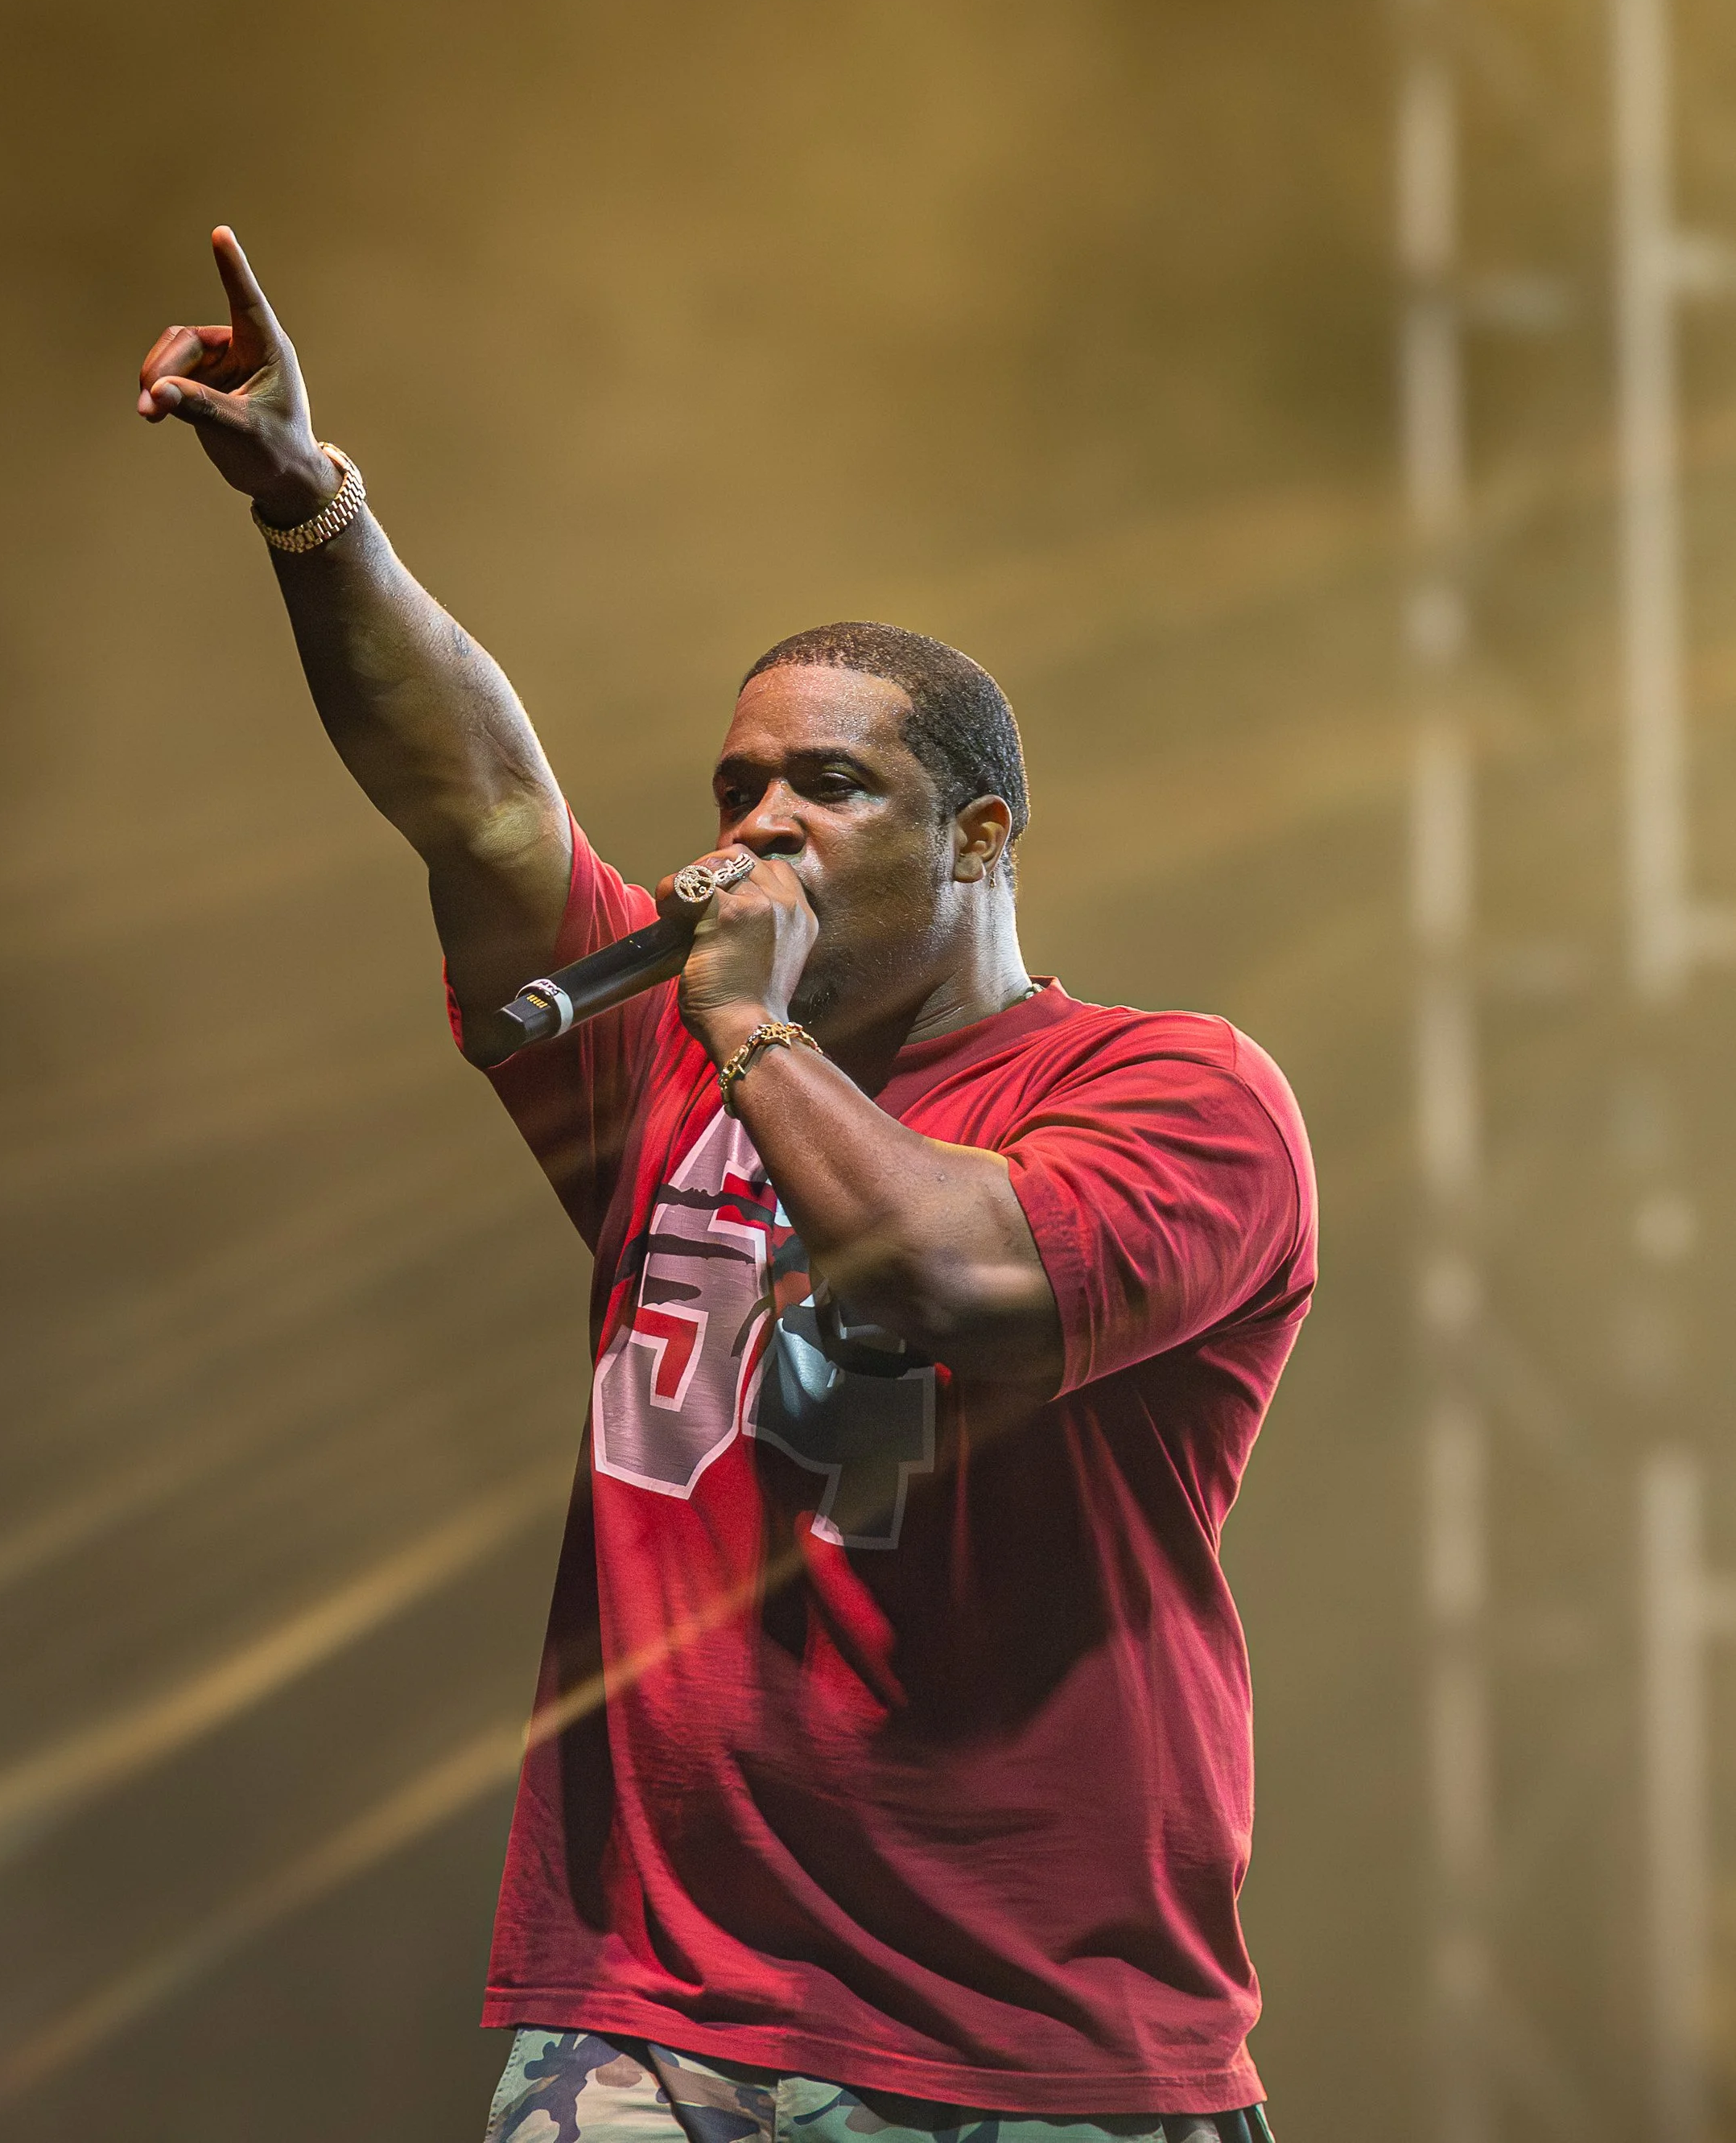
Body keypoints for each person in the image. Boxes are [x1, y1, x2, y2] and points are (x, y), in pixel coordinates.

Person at [139, 231, 1316, 2143]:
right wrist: (313, 509)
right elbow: (481, 801)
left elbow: (958, 1277)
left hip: (1024, 2047)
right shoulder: (672, 1054)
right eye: (733, 783)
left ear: (978, 832)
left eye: (827, 786)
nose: (755, 822)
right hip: (646, 2026)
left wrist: (754, 1032)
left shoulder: (1172, 1090)